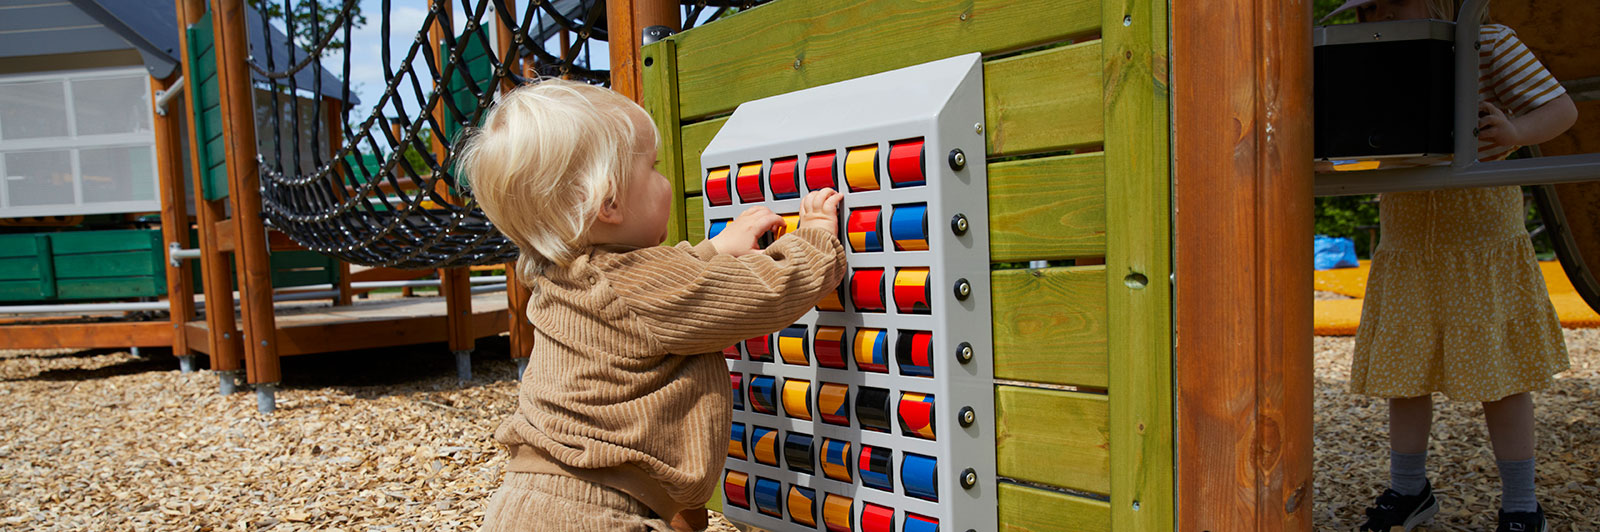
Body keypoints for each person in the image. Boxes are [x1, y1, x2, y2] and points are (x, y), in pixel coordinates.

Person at [456, 79, 847, 531]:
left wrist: (714, 251)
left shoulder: (564, 277)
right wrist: (815, 239)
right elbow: (765, 292)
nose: (663, 179)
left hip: (533, 502)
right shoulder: (635, 288)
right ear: (608, 203)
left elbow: (654, 300)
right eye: (654, 168)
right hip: (595, 516)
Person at [1321, 0, 1580, 531]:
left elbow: (1562, 110)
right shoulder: (1372, 55)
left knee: (1501, 373)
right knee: (1404, 368)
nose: (1379, 17)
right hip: (1408, 234)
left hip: (1480, 234)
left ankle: (1522, 506)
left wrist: (1516, 132)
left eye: (1392, 5)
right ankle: (1409, 490)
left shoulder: (1490, 41)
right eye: (1370, 10)